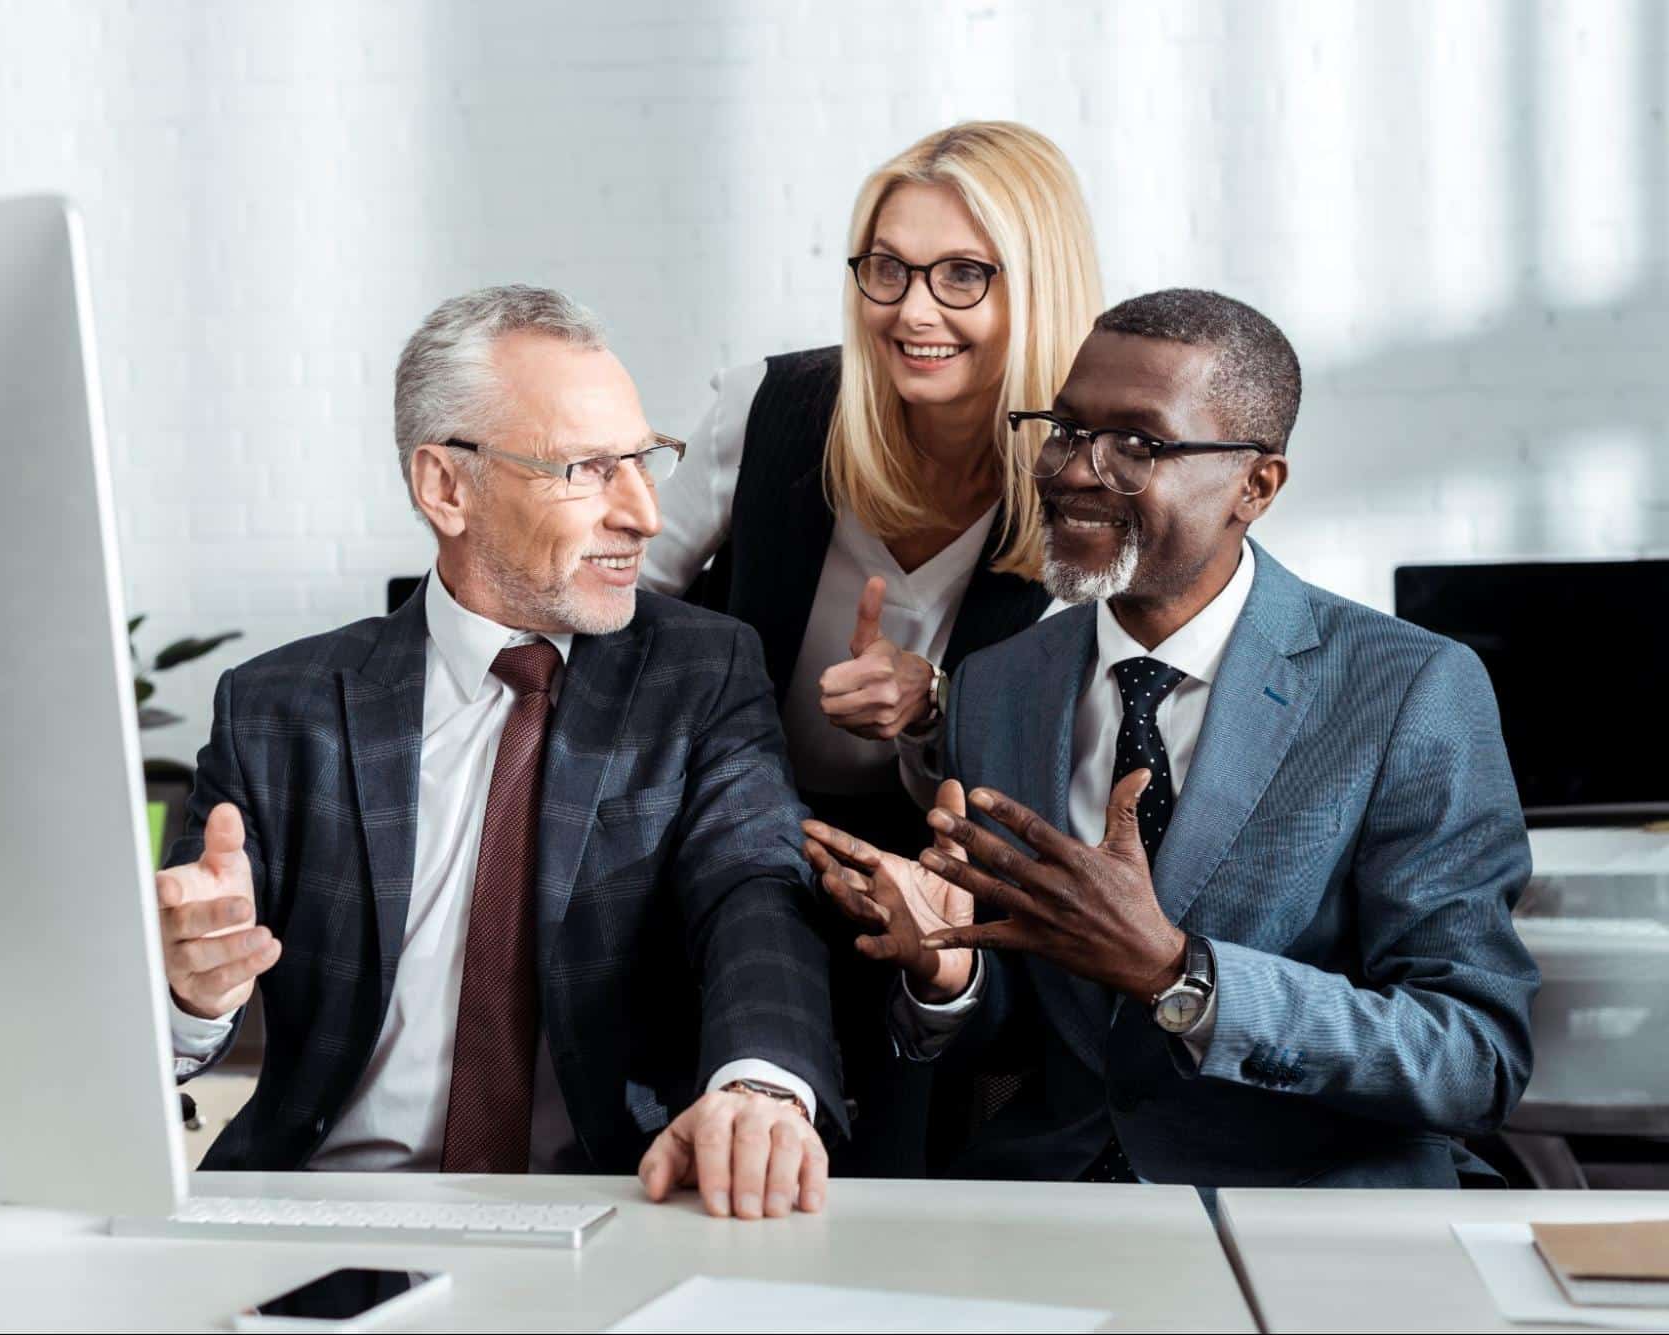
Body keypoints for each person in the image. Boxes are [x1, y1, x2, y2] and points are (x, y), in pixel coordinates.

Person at [804, 288, 1539, 1189]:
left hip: (1303, 1215)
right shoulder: (997, 686)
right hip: (1045, 1205)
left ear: (1254, 486)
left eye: (1137, 445)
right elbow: (1040, 1027)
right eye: (1066, 430)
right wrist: (949, 974)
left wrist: (1177, 975)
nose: (1075, 469)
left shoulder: (1408, 688)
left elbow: (1472, 1058)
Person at [158, 285, 844, 1221]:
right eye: (587, 470)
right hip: (327, 1210)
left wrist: (760, 1086)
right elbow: (179, 981)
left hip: (614, 1207)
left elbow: (754, 888)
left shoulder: (701, 672)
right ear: (446, 487)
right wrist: (189, 995)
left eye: (644, 461)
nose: (643, 513)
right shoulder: (279, 707)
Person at [641, 121, 1103, 1175]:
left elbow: (1065, 752)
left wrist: (933, 706)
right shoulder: (771, 406)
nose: (911, 310)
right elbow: (622, 605)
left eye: (960, 275)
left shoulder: (1083, 483)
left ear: (1035, 286)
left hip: (933, 879)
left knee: (906, 1159)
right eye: (887, 268)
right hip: (732, 841)